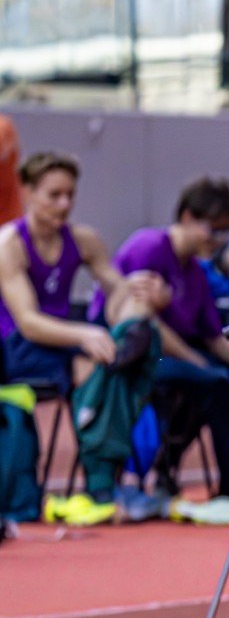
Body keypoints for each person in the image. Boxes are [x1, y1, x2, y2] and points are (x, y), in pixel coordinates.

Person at [0, 151, 170, 525]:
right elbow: (28, 322)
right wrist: (87, 334)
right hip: (17, 348)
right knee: (100, 363)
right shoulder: (9, 244)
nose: (65, 204)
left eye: (70, 194)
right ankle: (101, 482)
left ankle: (106, 478)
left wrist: (147, 296)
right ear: (27, 191)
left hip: (65, 342)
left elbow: (118, 295)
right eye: (54, 195)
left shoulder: (84, 240)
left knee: (131, 342)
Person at [106, 177, 229, 524]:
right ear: (188, 217)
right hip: (131, 353)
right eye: (213, 229)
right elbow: (143, 323)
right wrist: (199, 362)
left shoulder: (195, 271)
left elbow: (214, 336)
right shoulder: (148, 246)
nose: (217, 240)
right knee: (213, 381)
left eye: (225, 232)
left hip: (174, 356)